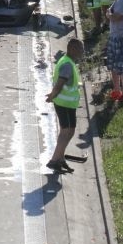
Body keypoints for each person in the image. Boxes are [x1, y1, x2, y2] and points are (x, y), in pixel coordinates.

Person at [45, 37, 84, 173]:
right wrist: (52, 95)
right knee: (66, 132)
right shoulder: (67, 64)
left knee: (71, 131)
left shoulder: (69, 62)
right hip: (63, 103)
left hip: (69, 104)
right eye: (80, 49)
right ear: (72, 49)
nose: (82, 52)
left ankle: (61, 159)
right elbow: (60, 83)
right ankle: (54, 160)